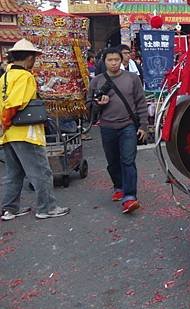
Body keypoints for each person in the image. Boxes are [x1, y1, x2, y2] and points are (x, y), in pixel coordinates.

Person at [0, 39, 70, 220]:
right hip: (25, 132)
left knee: (13, 172)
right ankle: (46, 208)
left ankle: (9, 209)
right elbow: (15, 103)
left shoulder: (5, 77)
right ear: (29, 58)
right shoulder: (25, 77)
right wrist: (5, 122)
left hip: (9, 135)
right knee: (41, 171)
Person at [87, 47, 148, 214]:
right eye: (110, 60)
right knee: (113, 161)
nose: (113, 63)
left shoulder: (132, 78)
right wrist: (98, 103)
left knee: (128, 160)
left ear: (121, 61)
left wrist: (143, 125)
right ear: (104, 62)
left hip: (128, 125)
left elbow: (141, 103)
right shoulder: (97, 81)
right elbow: (88, 106)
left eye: (116, 60)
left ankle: (130, 197)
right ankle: (118, 186)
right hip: (107, 126)